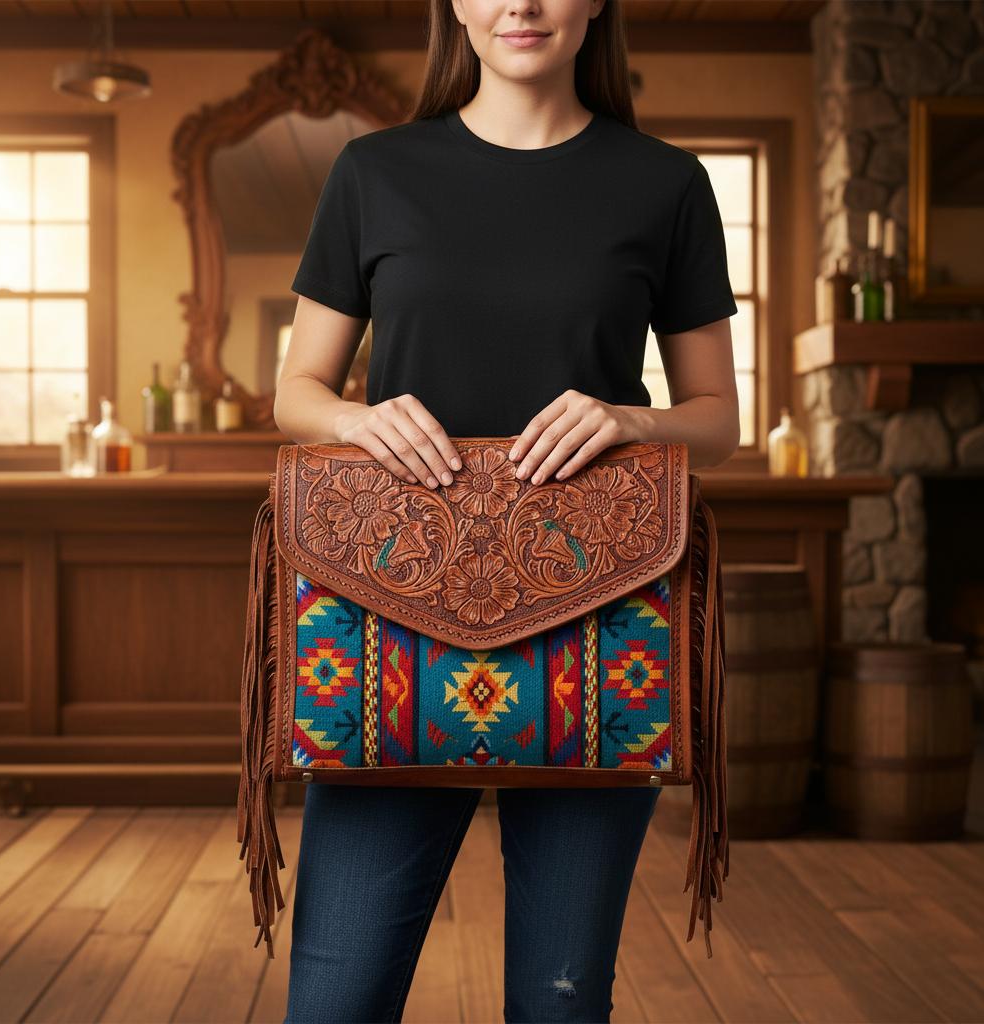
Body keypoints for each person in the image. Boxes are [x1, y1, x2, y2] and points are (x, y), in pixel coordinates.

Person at [273, 0, 739, 1019]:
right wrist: (357, 421)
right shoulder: (373, 172)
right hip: (384, 615)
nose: (520, 3)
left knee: (560, 1003)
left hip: (599, 621)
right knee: (335, 1000)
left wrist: (629, 418)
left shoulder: (666, 183)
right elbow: (296, 390)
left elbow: (718, 420)